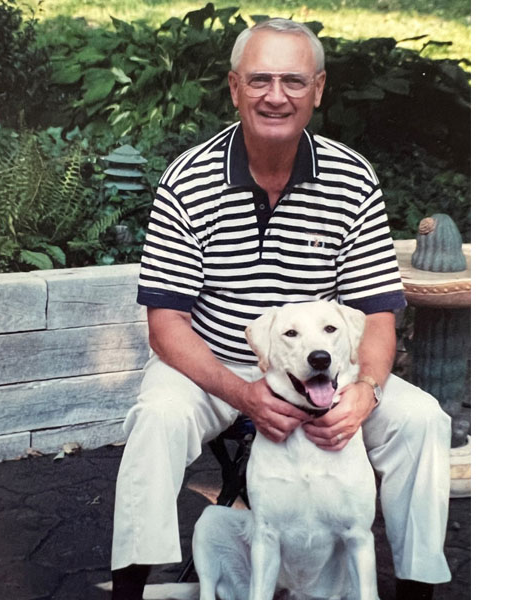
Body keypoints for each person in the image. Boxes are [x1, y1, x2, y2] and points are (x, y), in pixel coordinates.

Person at [110, 17, 452, 600]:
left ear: (317, 90)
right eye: (260, 80)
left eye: (293, 81)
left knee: (422, 420)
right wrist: (243, 392)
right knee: (158, 418)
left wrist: (366, 388)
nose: (276, 96)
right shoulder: (187, 179)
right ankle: (131, 585)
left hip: (327, 368)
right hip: (214, 366)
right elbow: (166, 327)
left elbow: (376, 316)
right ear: (234, 87)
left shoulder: (352, 177)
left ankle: (419, 586)